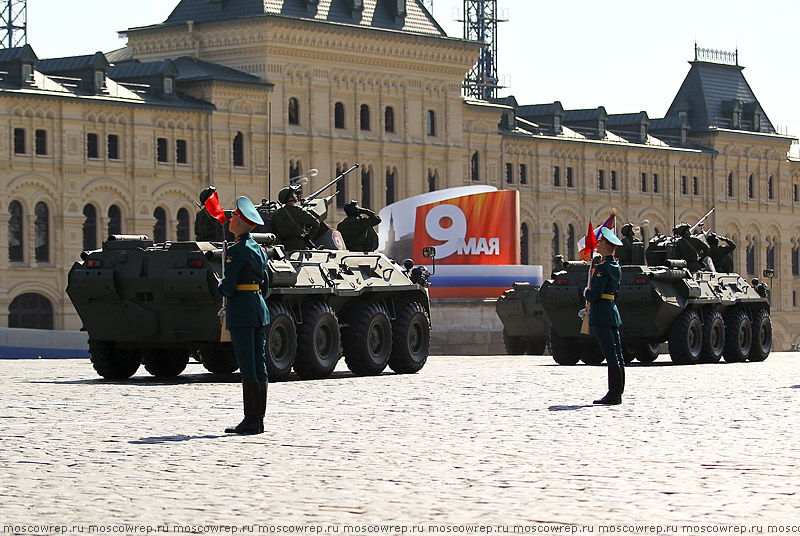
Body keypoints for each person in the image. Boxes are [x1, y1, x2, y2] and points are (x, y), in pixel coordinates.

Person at [218, 196, 270, 435]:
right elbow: (266, 285)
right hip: (258, 309)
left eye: (233, 216)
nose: (230, 218)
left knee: (247, 367)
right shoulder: (258, 249)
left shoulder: (236, 251)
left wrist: (218, 284)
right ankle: (258, 419)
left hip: (241, 312)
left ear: (239, 223)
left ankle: (251, 420)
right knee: (259, 366)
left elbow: (228, 288)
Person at [586, 227, 625, 405]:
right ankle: (618, 392)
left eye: (601, 242)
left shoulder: (603, 268)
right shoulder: (615, 266)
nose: (598, 244)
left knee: (611, 354)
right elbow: (615, 293)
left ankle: (614, 394)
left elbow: (595, 294)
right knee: (617, 354)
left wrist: (587, 293)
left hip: (601, 312)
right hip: (612, 311)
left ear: (605, 246)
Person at [271, 186, 319, 250]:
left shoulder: (276, 214)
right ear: (290, 198)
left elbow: (273, 231)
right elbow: (316, 222)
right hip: (298, 245)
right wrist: (307, 237)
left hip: (283, 245)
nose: (295, 196)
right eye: (293, 194)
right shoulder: (299, 211)